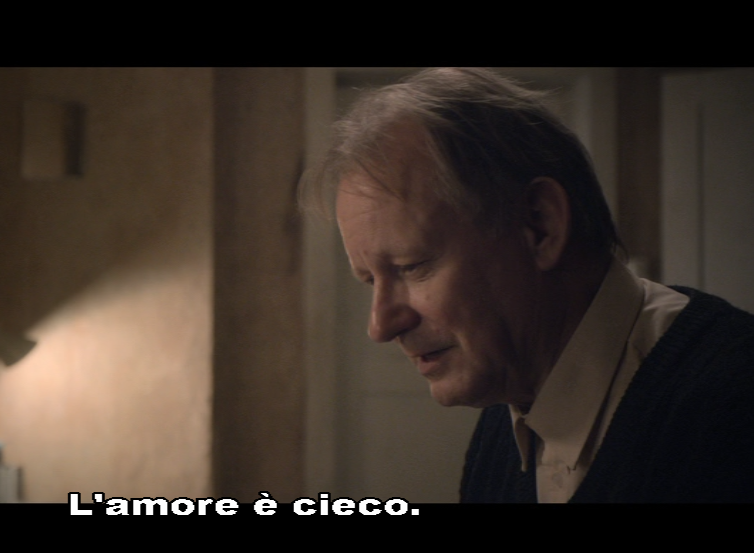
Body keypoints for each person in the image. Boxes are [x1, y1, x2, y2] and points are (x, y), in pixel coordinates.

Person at [305, 67, 754, 502]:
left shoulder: (732, 407)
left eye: (412, 266)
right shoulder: (508, 405)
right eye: (370, 280)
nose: (381, 326)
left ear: (540, 225)